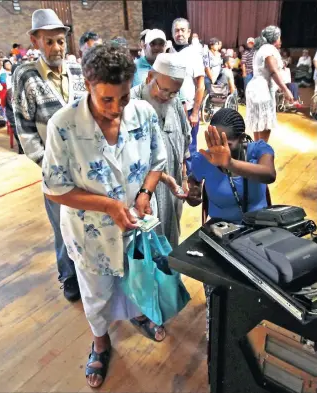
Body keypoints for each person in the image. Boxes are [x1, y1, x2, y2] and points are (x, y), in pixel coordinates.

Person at [42, 43, 167, 388]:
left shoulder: (142, 113)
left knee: (138, 275)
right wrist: (110, 206)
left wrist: (144, 193)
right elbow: (54, 188)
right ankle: (100, 342)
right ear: (87, 84)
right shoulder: (64, 125)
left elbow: (157, 162)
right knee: (96, 291)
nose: (116, 109)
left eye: (123, 98)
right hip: (91, 232)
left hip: (137, 223)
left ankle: (139, 313)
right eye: (106, 100)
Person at [12, 8, 87, 301]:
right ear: (35, 41)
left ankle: (87, 270)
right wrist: (46, 164)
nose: (56, 48)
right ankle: (68, 275)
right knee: (62, 225)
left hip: (84, 163)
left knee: (84, 221)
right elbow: (24, 127)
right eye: (49, 41)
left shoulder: (78, 71)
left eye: (60, 41)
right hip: (54, 168)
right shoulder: (25, 76)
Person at [186, 108, 276, 339]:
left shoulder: (258, 150)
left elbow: (269, 174)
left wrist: (230, 164)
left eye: (226, 141)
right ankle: (216, 322)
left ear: (241, 138)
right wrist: (194, 193)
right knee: (217, 287)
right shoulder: (203, 159)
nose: (218, 147)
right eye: (213, 139)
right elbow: (193, 181)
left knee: (255, 285)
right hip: (220, 235)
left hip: (257, 232)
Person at [131, 52, 191, 248]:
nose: (168, 97)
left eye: (174, 92)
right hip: (141, 195)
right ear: (149, 77)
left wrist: (184, 178)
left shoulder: (174, 103)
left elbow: (185, 141)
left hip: (172, 190)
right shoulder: (130, 104)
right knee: (144, 249)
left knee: (170, 243)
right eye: (164, 90)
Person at [245, 26, 293, 143]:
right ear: (275, 38)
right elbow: (273, 71)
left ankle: (256, 152)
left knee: (258, 122)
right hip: (262, 89)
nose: (281, 41)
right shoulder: (268, 49)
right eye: (279, 37)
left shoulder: (260, 49)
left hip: (255, 87)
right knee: (265, 124)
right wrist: (285, 89)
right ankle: (261, 152)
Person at [172, 17, 205, 174]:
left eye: (182, 30)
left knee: (190, 149)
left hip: (190, 110)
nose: (179, 33)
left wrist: (195, 113)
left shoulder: (194, 54)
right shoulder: (168, 53)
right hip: (171, 110)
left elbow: (200, 85)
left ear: (189, 32)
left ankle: (193, 183)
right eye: (176, 30)